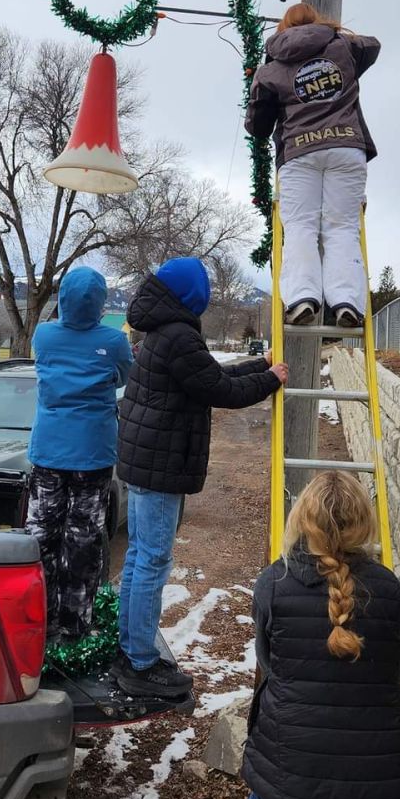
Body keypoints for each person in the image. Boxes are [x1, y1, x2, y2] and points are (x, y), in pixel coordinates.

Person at [235, 472, 400, 799]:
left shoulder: (274, 583)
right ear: (363, 523)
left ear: (302, 520)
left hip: (293, 774)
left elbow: (270, 663)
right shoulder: (390, 588)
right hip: (380, 783)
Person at [115, 257, 289, 698]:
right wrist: (270, 379)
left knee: (138, 557)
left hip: (144, 461)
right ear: (192, 296)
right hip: (159, 466)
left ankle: (130, 646)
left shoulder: (163, 331)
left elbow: (209, 375)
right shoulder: (177, 336)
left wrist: (260, 366)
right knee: (152, 559)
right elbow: (220, 390)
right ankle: (139, 662)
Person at [245, 2, 381, 328]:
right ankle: (346, 301)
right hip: (346, 147)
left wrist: (270, 73)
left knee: (301, 227)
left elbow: (258, 127)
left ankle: (302, 297)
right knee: (342, 227)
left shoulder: (272, 70)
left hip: (300, 154)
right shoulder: (343, 48)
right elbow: (372, 45)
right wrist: (335, 35)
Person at [27, 267, 133, 642]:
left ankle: (39, 616)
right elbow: (122, 377)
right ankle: (76, 623)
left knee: (42, 533)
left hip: (49, 451)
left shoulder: (44, 335)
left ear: (63, 298)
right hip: (92, 452)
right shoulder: (114, 341)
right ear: (100, 302)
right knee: (84, 535)